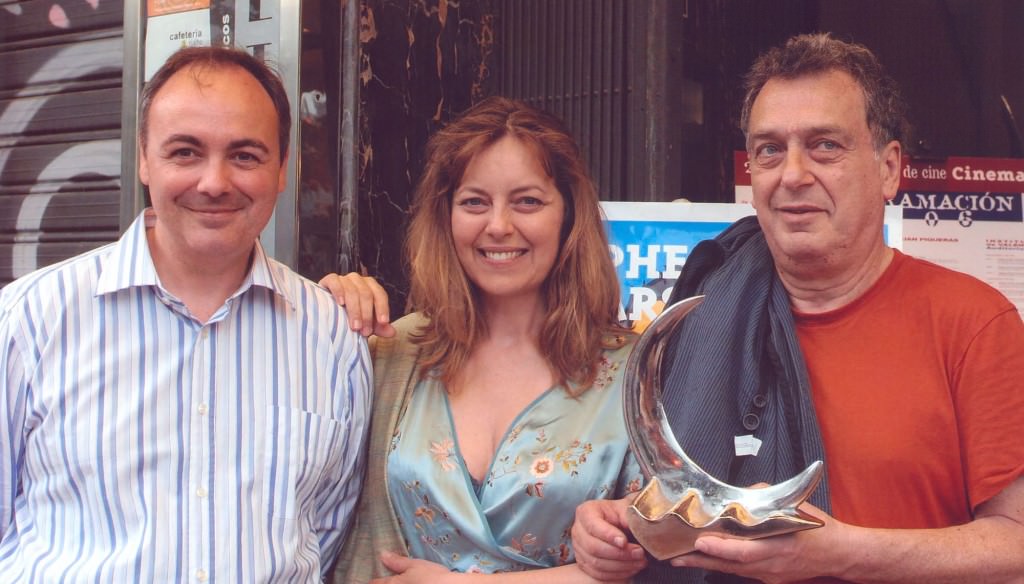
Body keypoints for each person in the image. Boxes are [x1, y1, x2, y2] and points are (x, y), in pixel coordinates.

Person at [572, 32, 1024, 583]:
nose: (792, 175)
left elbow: (1015, 548)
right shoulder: (704, 316)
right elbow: (689, 502)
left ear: (889, 169)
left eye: (824, 145)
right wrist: (616, 531)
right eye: (769, 149)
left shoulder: (973, 323)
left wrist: (844, 553)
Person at [0, 47, 372, 582]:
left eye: (245, 155)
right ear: (144, 159)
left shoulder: (334, 336)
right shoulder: (32, 319)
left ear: (283, 168)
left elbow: (326, 528)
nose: (214, 182)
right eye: (185, 152)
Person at [322, 96, 646, 583]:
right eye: (474, 202)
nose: (498, 226)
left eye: (527, 201)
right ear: (445, 217)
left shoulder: (636, 372)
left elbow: (658, 555)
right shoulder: (392, 348)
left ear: (570, 216)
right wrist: (316, 313)